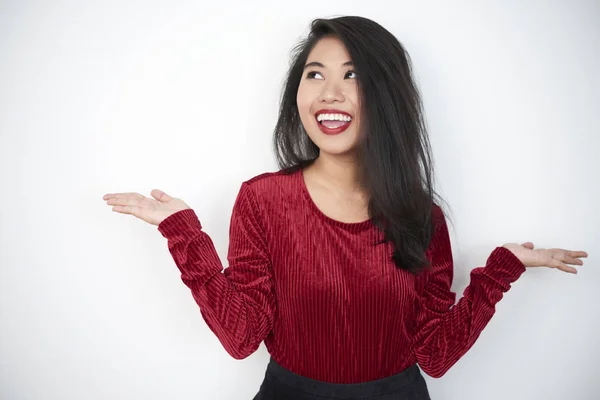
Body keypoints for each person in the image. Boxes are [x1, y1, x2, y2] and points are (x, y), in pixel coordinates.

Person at [102, 16, 587, 400]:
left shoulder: (421, 216)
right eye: (316, 74)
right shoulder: (262, 199)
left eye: (352, 75)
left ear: (386, 97)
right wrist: (183, 233)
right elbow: (242, 336)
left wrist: (499, 271)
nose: (329, 92)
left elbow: (435, 354)